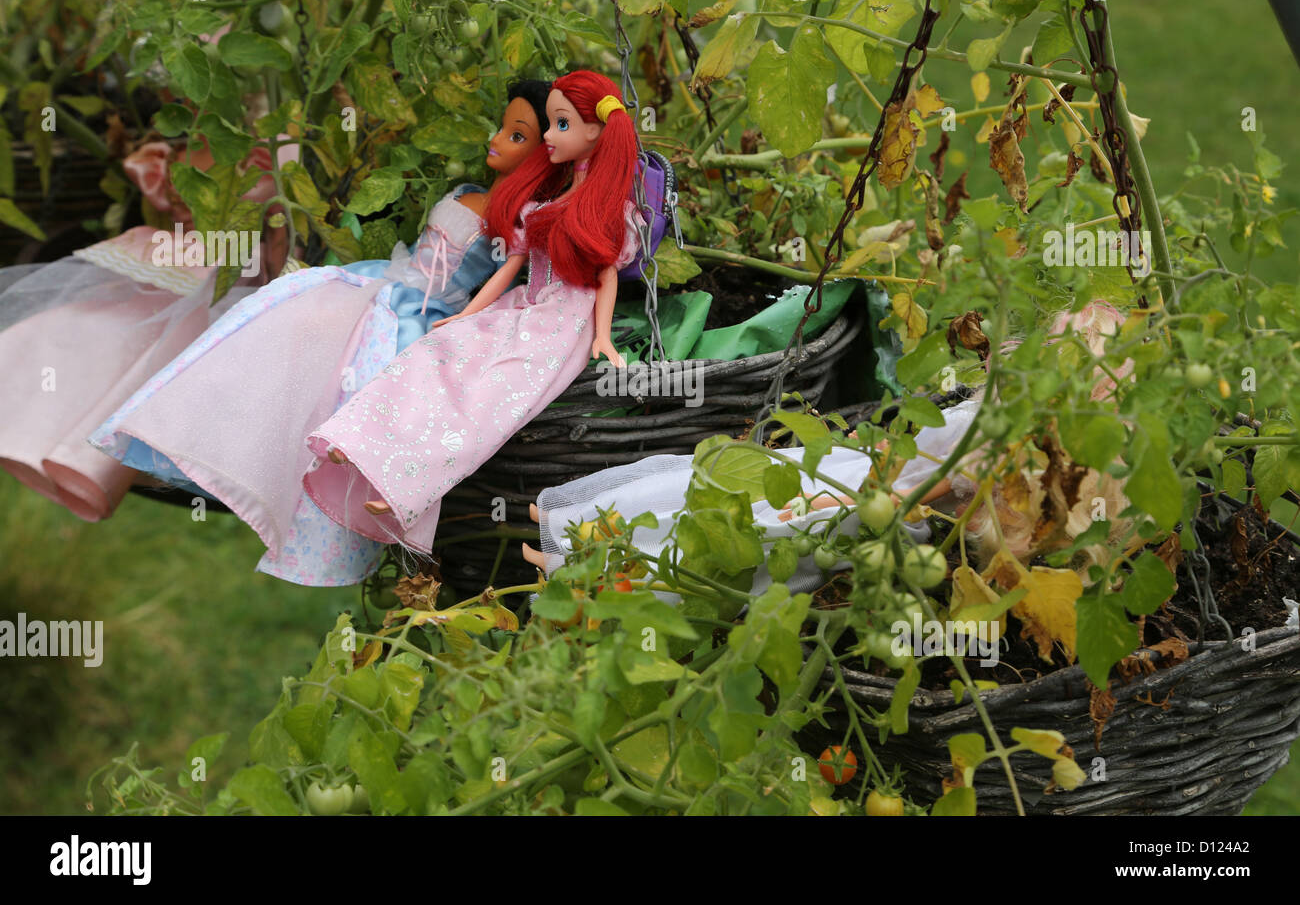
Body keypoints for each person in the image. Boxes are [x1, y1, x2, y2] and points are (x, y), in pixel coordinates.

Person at [88, 81, 553, 586]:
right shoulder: (468, 192)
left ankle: (309, 504)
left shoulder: (520, 221)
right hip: (384, 281)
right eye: (503, 126)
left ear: (543, 157)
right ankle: (223, 437)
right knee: (283, 318)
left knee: (356, 387)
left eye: (517, 135)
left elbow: (502, 280)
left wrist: (461, 321)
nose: (496, 138)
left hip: (422, 309)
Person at [524, 300, 1138, 596]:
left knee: (754, 535)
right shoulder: (995, 423)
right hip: (863, 479)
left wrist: (896, 497)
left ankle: (590, 565)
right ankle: (583, 540)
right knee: (733, 511)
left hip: (873, 499)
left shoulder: (1006, 456)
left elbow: (938, 489)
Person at [303, 70, 644, 555]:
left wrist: (602, 337)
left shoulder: (607, 210)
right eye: (549, 124)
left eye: (560, 125)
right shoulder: (547, 203)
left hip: (561, 327)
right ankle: (358, 441)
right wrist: (468, 316)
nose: (548, 137)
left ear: (595, 131)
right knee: (436, 354)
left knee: (484, 399)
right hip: (522, 308)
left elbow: (605, 276)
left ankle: (406, 486)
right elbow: (509, 272)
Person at [0, 134, 294, 522]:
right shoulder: (203, 142)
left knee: (155, 353)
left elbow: (283, 239)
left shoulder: (279, 157)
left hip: (235, 272)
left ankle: (79, 451)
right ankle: (39, 425)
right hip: (197, 263)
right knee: (97, 333)